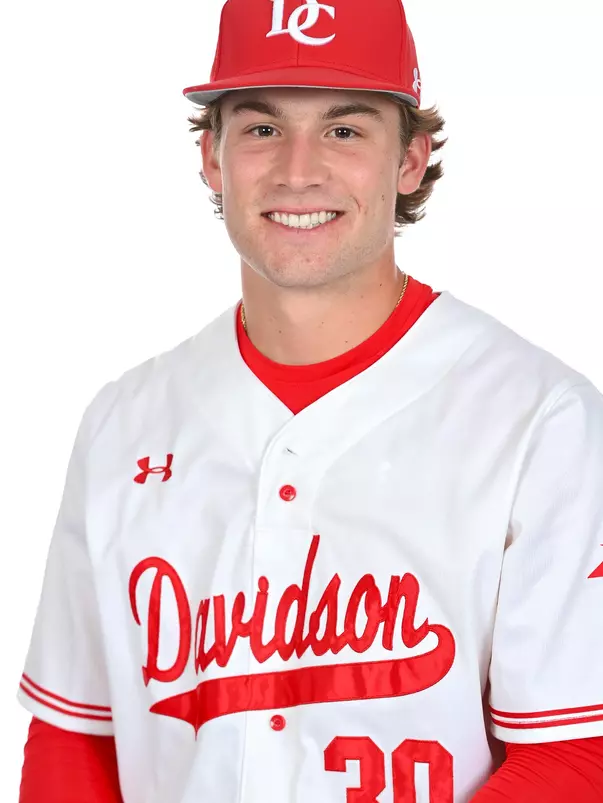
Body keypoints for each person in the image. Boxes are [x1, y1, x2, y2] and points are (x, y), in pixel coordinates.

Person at [17, 0, 603, 801]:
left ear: (410, 159)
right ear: (211, 157)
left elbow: (573, 756)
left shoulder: (542, 419)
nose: (298, 170)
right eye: (260, 129)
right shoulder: (123, 422)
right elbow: (77, 741)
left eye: (344, 129)